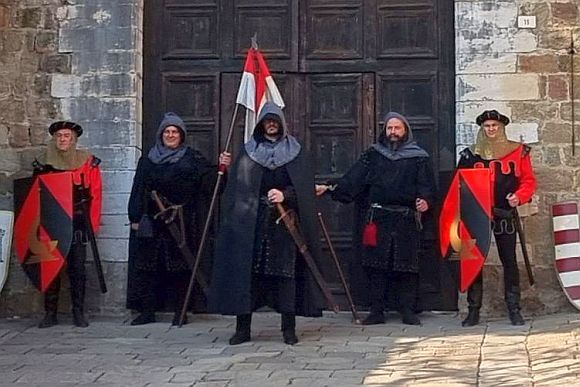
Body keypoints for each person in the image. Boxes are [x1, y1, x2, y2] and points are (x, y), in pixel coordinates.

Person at [209, 102, 325, 345]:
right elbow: (237, 187)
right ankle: (243, 329)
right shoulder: (248, 151)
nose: (271, 124)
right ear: (261, 124)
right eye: (267, 121)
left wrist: (286, 195)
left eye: (275, 121)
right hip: (252, 224)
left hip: (284, 226)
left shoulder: (296, 152)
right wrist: (227, 170)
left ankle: (288, 329)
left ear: (281, 124)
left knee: (287, 277)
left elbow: (304, 189)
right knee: (247, 275)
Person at [316, 112, 435, 325]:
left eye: (397, 128)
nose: (393, 132)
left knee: (406, 266)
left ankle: (407, 310)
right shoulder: (373, 155)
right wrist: (330, 188)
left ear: (405, 131)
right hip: (377, 219)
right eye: (390, 128)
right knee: (376, 266)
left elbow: (426, 185)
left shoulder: (419, 157)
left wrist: (425, 200)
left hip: (405, 218)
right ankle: (376, 311)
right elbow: (354, 179)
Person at [127, 112, 230, 326]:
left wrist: (222, 168)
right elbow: (138, 189)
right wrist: (135, 216)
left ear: (182, 135)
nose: (171, 135)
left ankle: (180, 311)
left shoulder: (192, 159)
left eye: (175, 132)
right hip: (153, 222)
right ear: (161, 134)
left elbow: (211, 186)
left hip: (182, 221)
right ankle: (147, 311)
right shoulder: (147, 161)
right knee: (148, 268)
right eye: (167, 131)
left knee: (181, 267)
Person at [457, 110, 537, 326]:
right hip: (476, 216)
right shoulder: (468, 155)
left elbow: (528, 181)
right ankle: (474, 309)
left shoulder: (518, 152)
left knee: (509, 260)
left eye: (494, 125)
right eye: (487, 126)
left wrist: (518, 197)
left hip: (504, 213)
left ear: (501, 128)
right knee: (473, 261)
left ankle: (514, 308)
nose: (491, 129)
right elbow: (459, 185)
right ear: (482, 129)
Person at [34, 121, 102, 328]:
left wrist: (92, 226)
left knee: (77, 269)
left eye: (67, 136)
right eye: (60, 136)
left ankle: (78, 312)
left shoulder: (87, 163)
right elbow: (34, 195)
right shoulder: (42, 163)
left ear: (74, 140)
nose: (63, 139)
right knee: (50, 268)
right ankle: (50, 313)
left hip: (77, 222)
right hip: (51, 222)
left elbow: (96, 195)